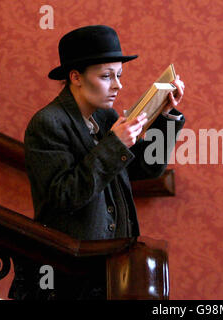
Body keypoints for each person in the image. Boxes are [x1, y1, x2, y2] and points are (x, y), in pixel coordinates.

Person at [24, 25, 185, 241]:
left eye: (119, 75)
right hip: (71, 262)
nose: (118, 85)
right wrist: (115, 145)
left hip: (115, 257)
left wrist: (166, 116)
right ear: (76, 77)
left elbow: (148, 167)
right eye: (107, 76)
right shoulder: (47, 123)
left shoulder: (106, 118)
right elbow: (63, 197)